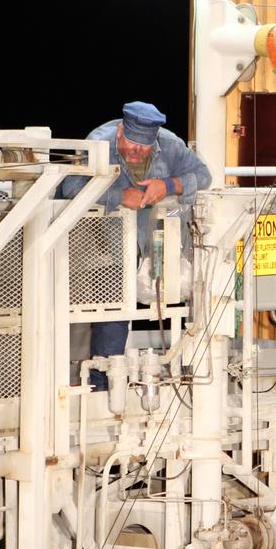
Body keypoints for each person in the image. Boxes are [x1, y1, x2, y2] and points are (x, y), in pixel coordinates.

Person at [61, 101, 212, 389]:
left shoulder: (170, 145)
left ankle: (183, 371)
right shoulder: (97, 143)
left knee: (175, 303)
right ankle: (103, 383)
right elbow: (71, 187)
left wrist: (169, 185)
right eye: (131, 144)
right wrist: (119, 197)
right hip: (106, 248)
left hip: (154, 245)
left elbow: (203, 176)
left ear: (154, 140)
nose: (136, 152)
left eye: (143, 148)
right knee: (113, 317)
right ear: (120, 131)